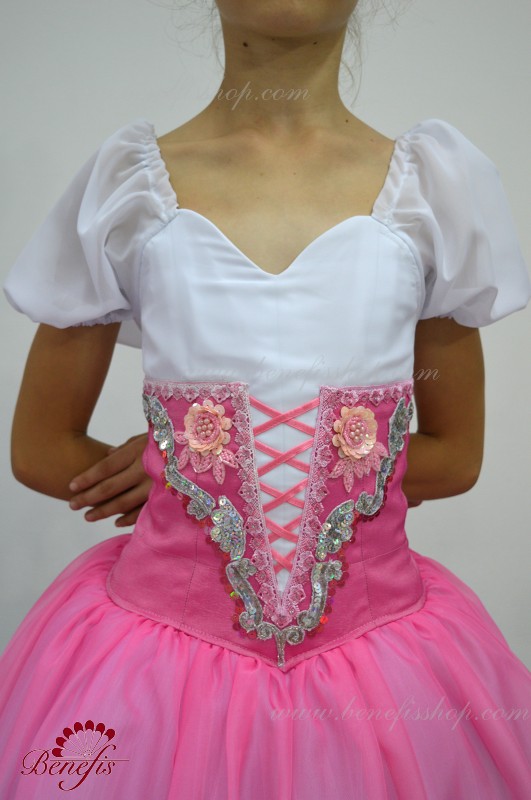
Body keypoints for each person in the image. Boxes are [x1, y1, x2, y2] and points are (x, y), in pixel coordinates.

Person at [1, 1, 530, 797]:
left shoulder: (432, 194)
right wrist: (187, 477)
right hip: (159, 661)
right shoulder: (126, 190)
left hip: (378, 657)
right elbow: (42, 445)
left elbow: (454, 454)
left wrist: (235, 470)